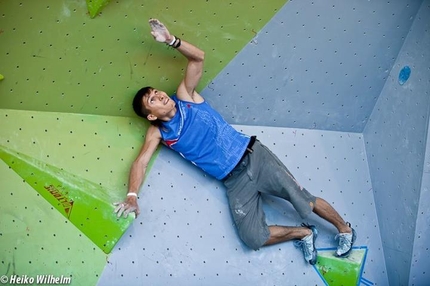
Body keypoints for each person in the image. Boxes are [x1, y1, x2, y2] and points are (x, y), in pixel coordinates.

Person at [114, 18, 357, 265]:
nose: (159, 95)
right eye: (152, 100)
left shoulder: (185, 97)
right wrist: (132, 195)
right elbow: (141, 162)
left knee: (303, 199)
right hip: (234, 181)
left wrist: (170, 40)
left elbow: (197, 58)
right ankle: (304, 233)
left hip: (254, 156)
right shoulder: (159, 133)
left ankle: (344, 229)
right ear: (151, 115)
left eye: (156, 92)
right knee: (253, 237)